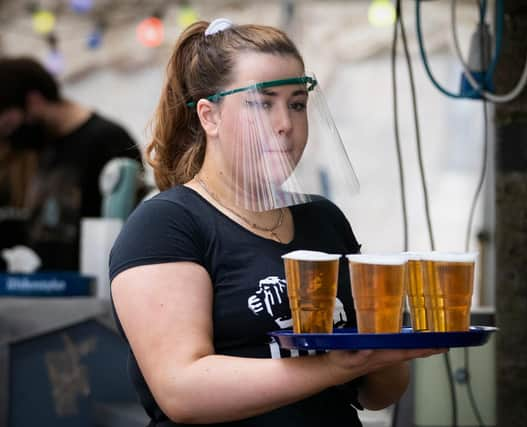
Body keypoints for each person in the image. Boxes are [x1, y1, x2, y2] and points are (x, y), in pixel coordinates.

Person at [109, 19, 445, 427]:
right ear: (209, 116)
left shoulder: (322, 218)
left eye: (297, 103)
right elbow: (182, 390)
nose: (285, 123)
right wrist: (334, 368)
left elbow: (377, 396)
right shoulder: (167, 223)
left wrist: (390, 346)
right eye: (263, 103)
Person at [0, 57, 142, 271]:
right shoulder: (45, 146)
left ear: (34, 100)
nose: (11, 136)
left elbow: (127, 223)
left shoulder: (108, 140)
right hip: (45, 286)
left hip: (91, 289)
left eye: (10, 124)